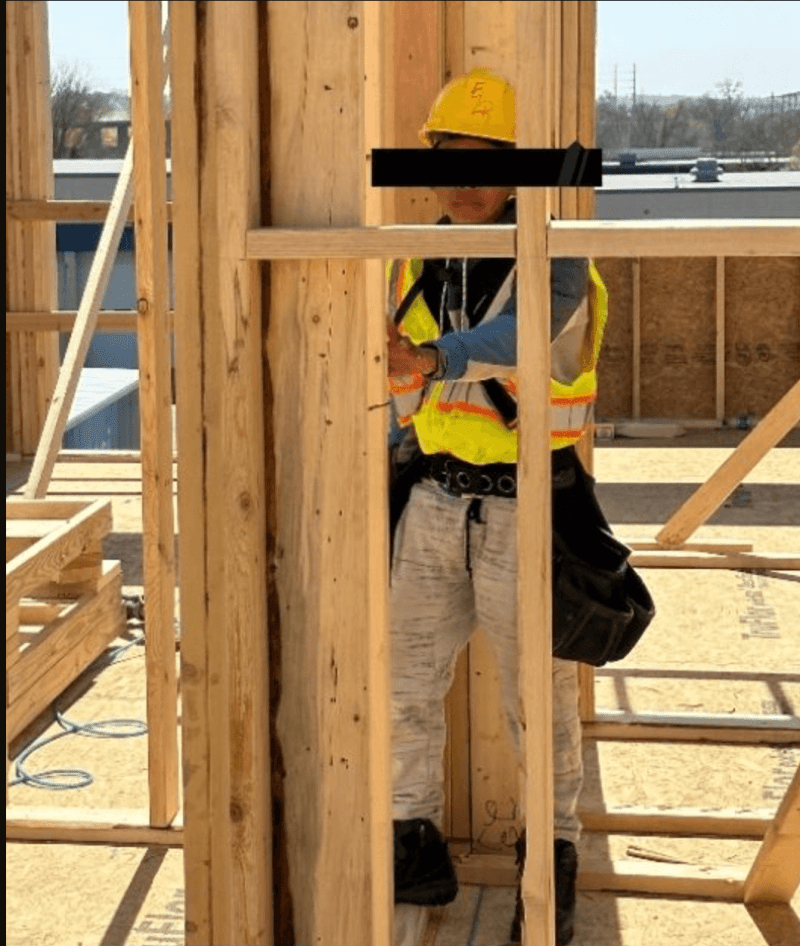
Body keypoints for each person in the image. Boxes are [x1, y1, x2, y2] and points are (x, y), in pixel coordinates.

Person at [386, 68, 609, 946]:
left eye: (486, 161)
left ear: (521, 170)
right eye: (450, 159)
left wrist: (430, 360)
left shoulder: (559, 253)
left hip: (528, 509)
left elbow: (517, 341)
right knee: (401, 688)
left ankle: (547, 872)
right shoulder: (414, 250)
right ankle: (414, 851)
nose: (464, 179)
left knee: (539, 706)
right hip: (438, 501)